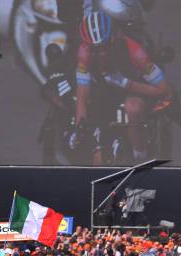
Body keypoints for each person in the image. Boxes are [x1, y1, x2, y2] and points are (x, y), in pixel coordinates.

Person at [73, 11, 174, 164]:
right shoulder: (84, 54)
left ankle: (140, 154)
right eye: (95, 49)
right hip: (105, 96)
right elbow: (82, 97)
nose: (101, 54)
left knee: (133, 107)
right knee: (98, 161)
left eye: (105, 47)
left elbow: (164, 91)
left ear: (113, 39)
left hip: (135, 88)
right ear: (87, 47)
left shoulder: (133, 50)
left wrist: (127, 83)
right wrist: (79, 127)